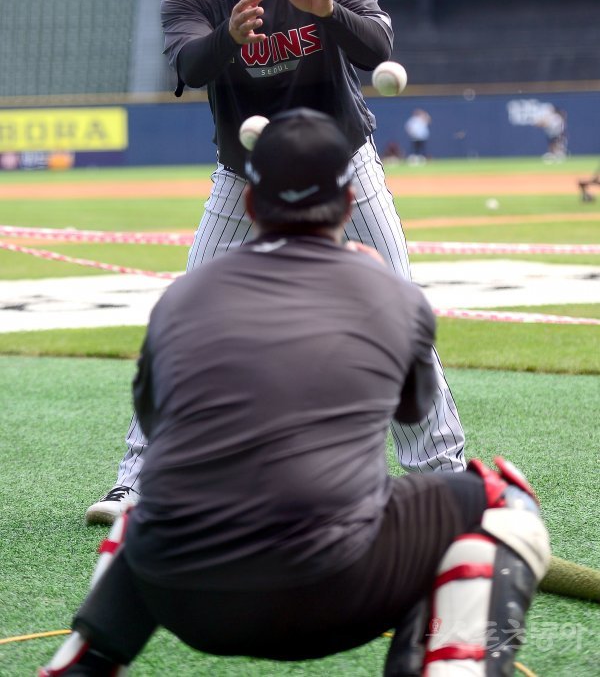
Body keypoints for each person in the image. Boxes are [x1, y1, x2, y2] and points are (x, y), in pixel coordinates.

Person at [41, 110, 550, 677]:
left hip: (178, 592)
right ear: (351, 203)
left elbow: (155, 419)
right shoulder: (390, 292)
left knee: (147, 512)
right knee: (505, 501)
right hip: (328, 591)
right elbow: (412, 408)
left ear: (250, 204)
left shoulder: (182, 297)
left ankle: (84, 660)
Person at [85, 0, 465, 526]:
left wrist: (329, 11)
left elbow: (378, 47)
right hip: (247, 177)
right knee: (189, 316)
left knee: (399, 306)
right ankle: (138, 483)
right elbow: (188, 65)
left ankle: (443, 471)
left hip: (343, 163)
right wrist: (228, 37)